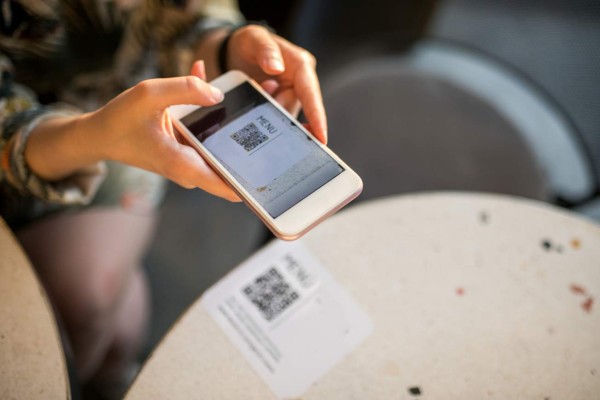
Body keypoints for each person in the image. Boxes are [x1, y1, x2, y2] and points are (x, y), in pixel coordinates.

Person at [0, 0, 327, 396]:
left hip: (135, 130)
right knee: (96, 311)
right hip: (55, 145)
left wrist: (225, 46)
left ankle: (109, 370)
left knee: (96, 305)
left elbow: (189, 14)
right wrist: (94, 135)